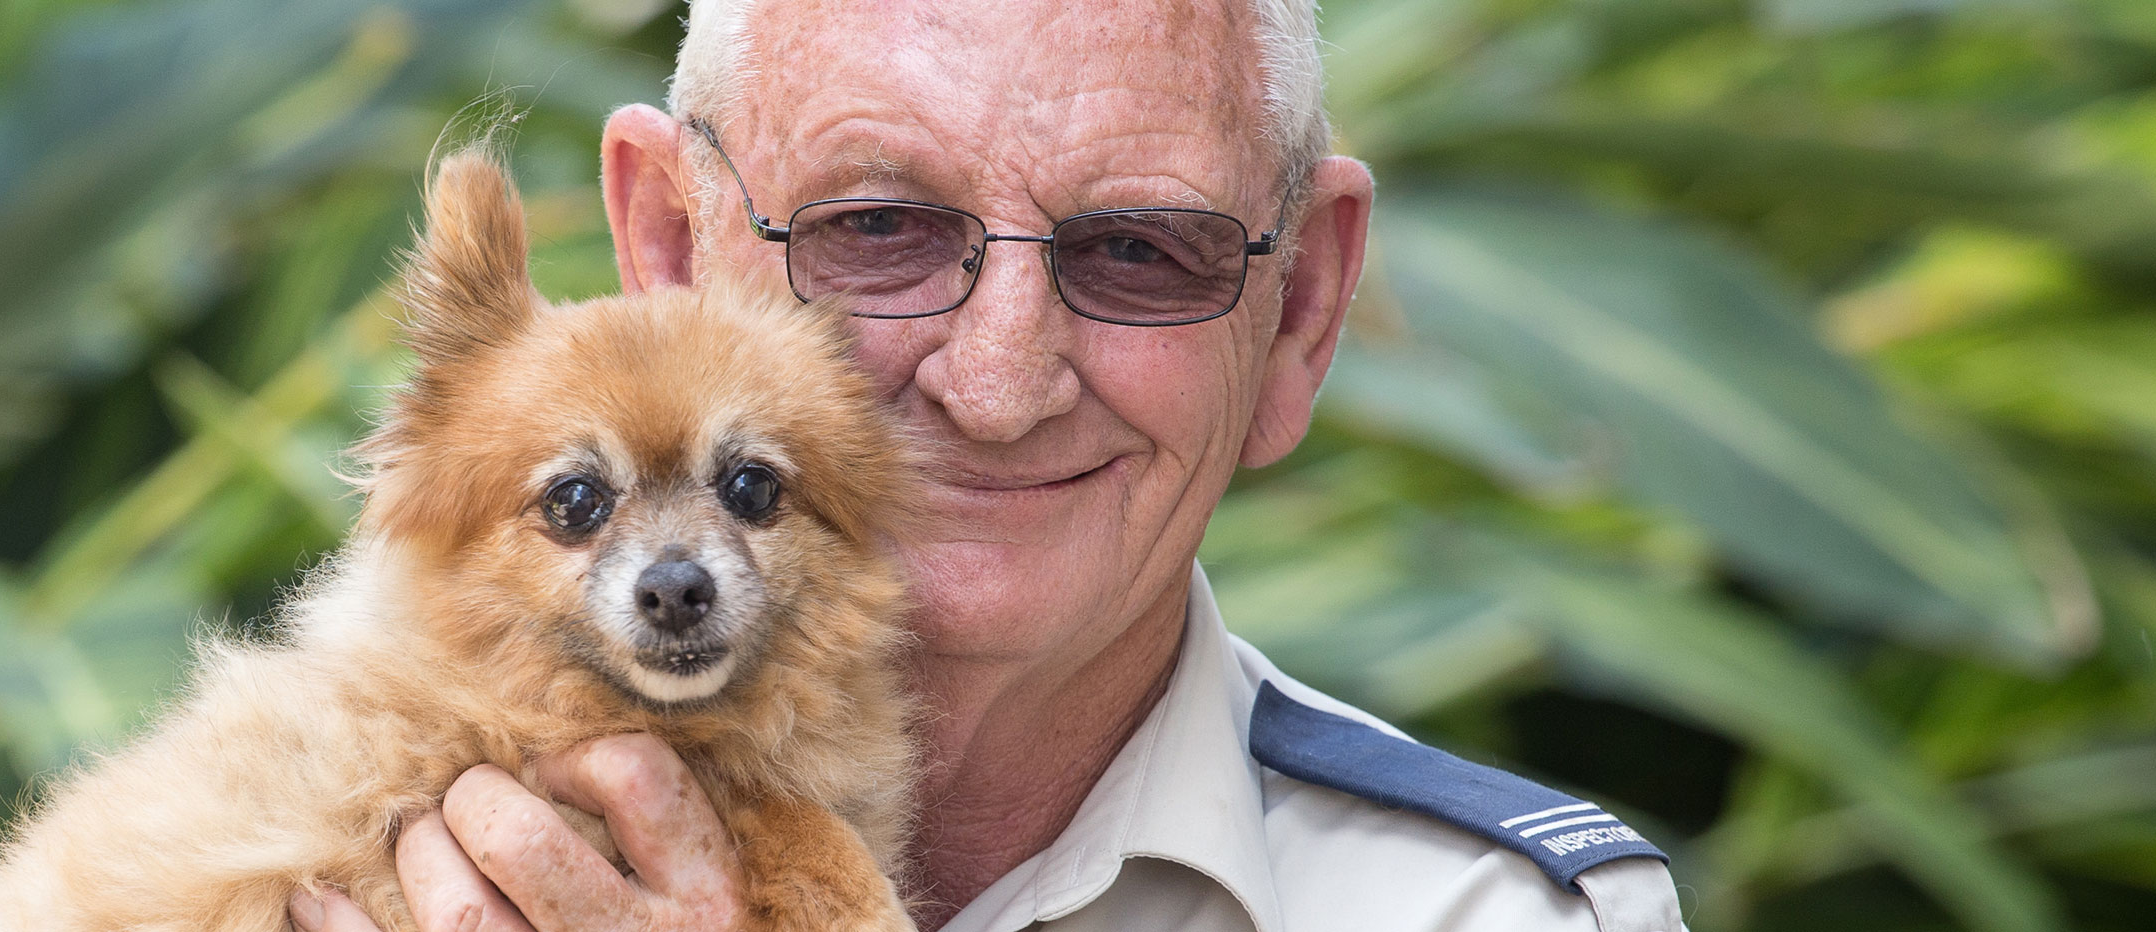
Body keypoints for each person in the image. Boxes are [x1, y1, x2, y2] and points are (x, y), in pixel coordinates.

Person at [289, 0, 1687, 929]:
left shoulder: (1490, 914)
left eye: (1141, 252)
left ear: (1300, 312)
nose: (1000, 383)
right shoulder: (281, 818)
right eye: (878, 231)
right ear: (667, 247)